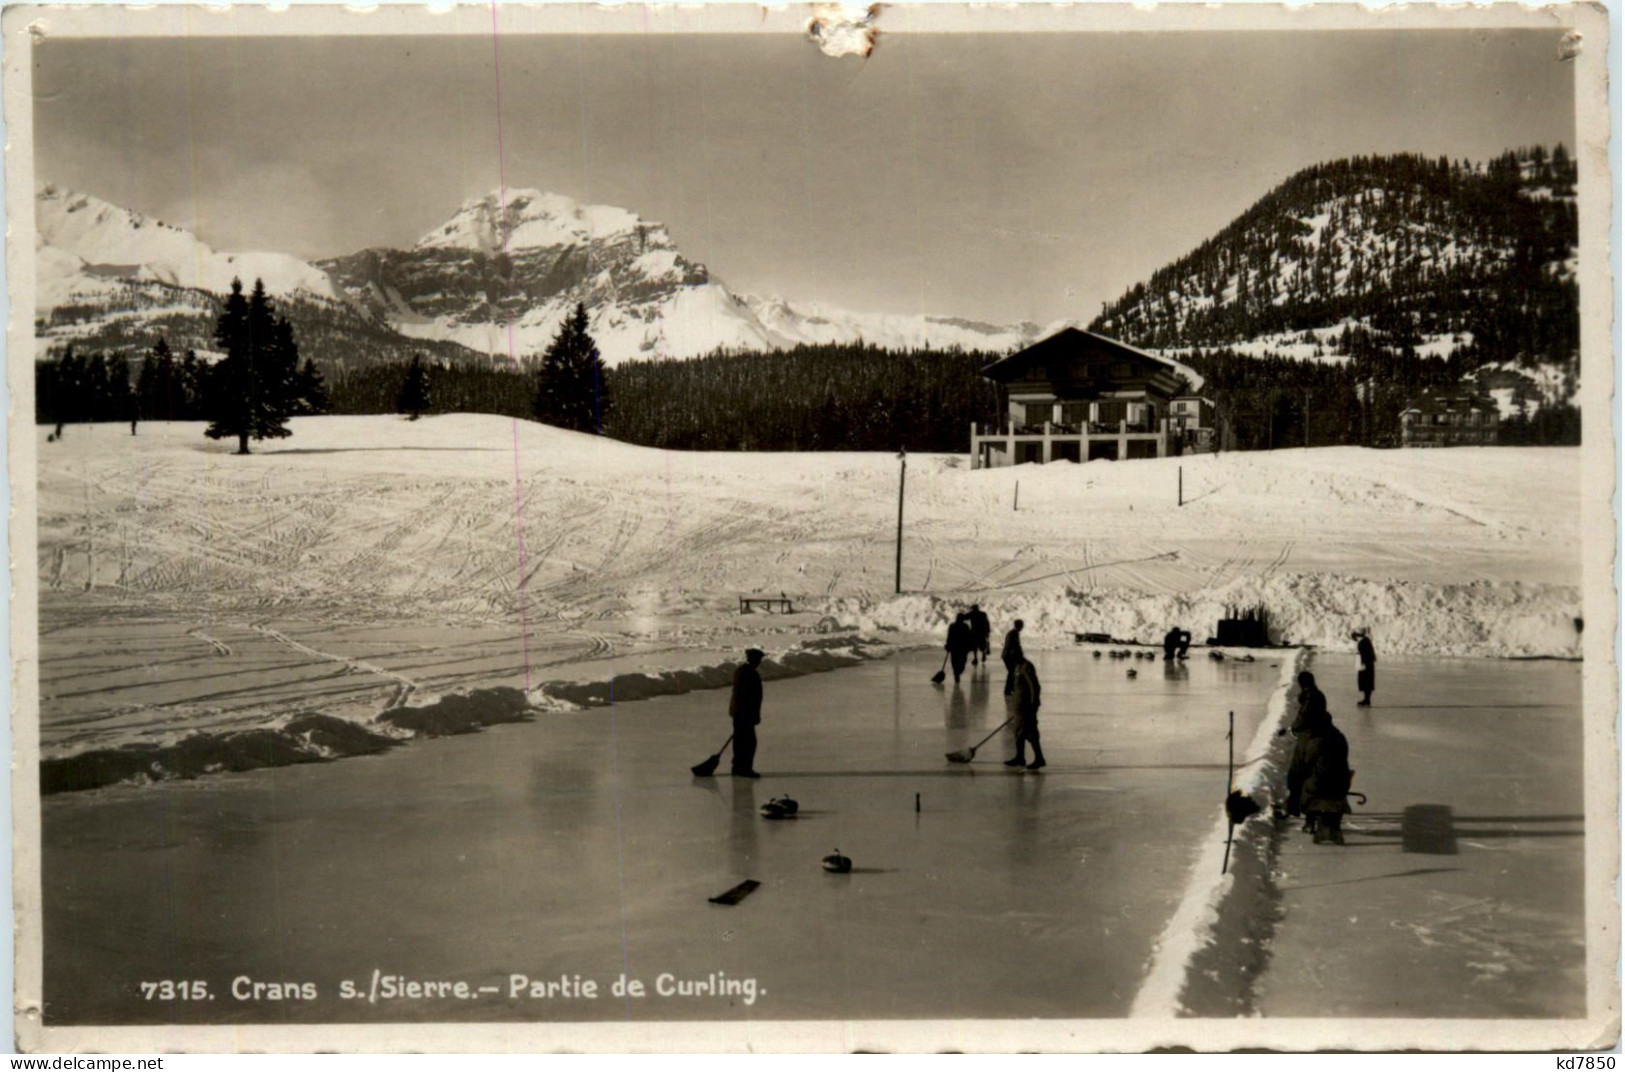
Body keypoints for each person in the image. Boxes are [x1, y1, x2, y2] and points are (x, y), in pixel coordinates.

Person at [1287, 693, 1353, 845]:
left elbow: (1301, 767)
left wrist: (1293, 794)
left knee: (1304, 782)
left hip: (1321, 787)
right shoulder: (1339, 737)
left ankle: (1310, 822)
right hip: (1342, 784)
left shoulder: (1314, 741)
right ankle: (1331, 824)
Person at [1004, 655, 1047, 771]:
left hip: (1026, 708)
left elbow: (1035, 687)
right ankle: (1035, 758)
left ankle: (1022, 758)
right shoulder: (1018, 668)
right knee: (1027, 732)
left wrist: (1033, 704)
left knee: (1022, 732)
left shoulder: (1026, 667)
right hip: (1021, 707)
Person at [728, 648, 765, 778]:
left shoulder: (742, 671)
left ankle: (738, 767)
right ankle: (743, 769)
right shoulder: (749, 673)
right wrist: (751, 715)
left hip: (739, 712)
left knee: (741, 741)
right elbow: (746, 696)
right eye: (759, 659)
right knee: (748, 742)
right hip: (744, 713)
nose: (759, 662)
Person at [945, 613, 975, 684]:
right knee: (961, 662)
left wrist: (948, 645)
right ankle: (957, 673)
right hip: (962, 647)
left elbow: (949, 637)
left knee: (955, 661)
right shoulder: (965, 626)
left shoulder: (953, 626)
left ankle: (956, 673)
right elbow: (969, 637)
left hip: (956, 647)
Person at [1001, 619, 1025, 696]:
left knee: (1012, 672)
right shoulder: (1013, 634)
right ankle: (1008, 690)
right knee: (1012, 672)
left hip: (1008, 655)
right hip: (1008, 656)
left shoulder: (1014, 633)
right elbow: (1013, 646)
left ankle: (1010, 689)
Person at [1354, 630, 1377, 707]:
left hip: (1365, 665)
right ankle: (1367, 699)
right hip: (1367, 664)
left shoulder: (1363, 642)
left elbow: (1363, 654)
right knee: (1367, 683)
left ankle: (1367, 700)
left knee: (1366, 683)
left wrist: (1362, 664)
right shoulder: (1365, 640)